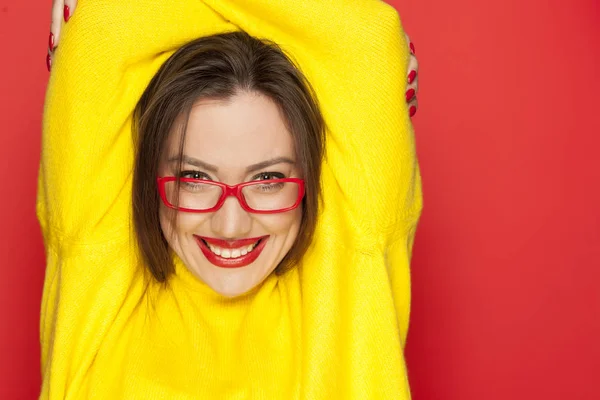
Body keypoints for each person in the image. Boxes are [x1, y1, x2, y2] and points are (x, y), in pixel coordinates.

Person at [39, 0, 423, 398]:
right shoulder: (98, 260)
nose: (231, 226)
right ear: (150, 171)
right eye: (194, 177)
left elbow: (367, 39)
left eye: (268, 179)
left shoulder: (349, 273)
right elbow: (102, 22)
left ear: (308, 175)